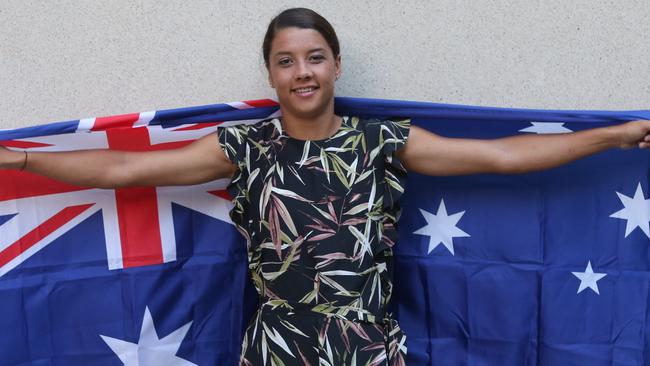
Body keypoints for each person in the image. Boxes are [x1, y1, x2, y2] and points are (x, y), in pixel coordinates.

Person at [1, 7, 650, 366]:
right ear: (272, 73)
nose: (302, 72)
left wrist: (615, 137)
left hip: (369, 351)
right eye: (286, 61)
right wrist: (18, 161)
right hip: (277, 350)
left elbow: (501, 158)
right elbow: (122, 171)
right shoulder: (244, 145)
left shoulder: (383, 142)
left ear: (335, 65)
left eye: (314, 58)